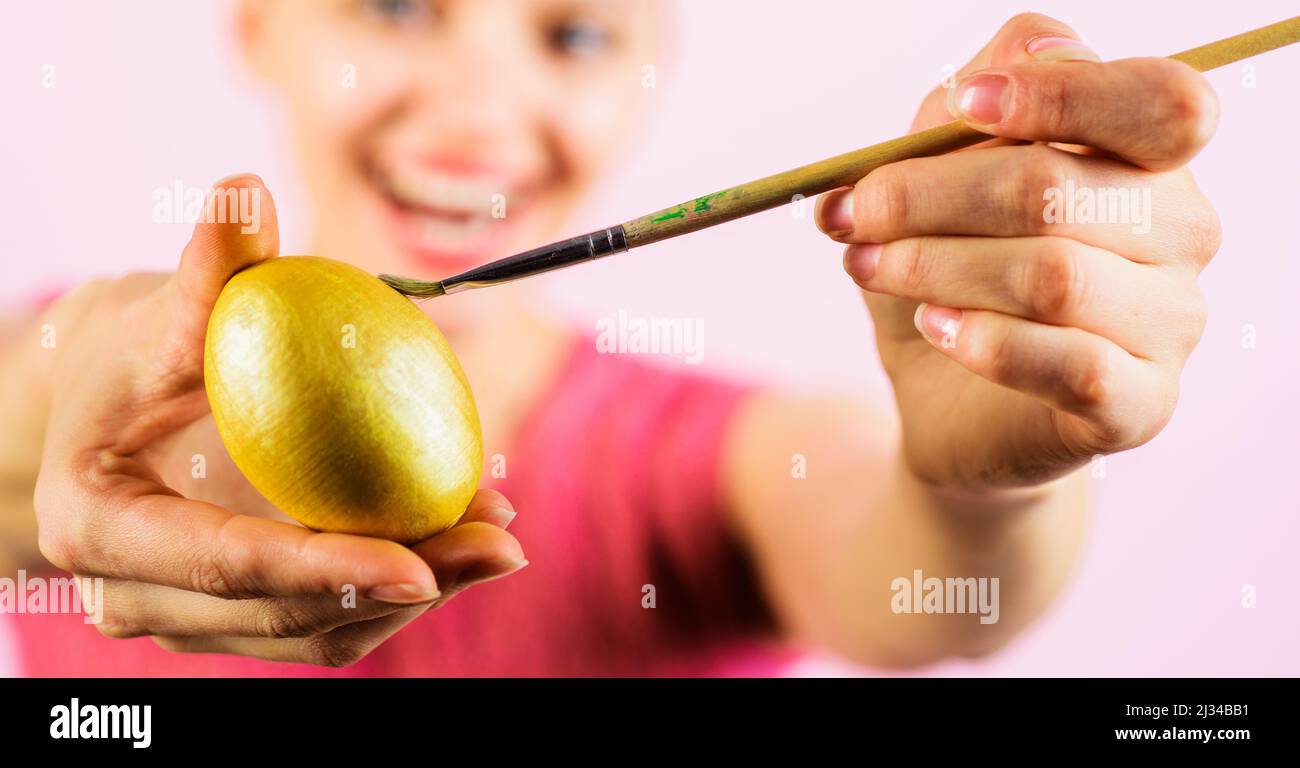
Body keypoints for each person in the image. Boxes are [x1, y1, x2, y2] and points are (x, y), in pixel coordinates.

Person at [0, 2, 1220, 675]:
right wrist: (55, 413)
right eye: (395, 5)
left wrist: (989, 489)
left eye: (573, 34)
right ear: (260, 26)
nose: (479, 112)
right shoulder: (70, 357)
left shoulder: (708, 461)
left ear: (650, 66)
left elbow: (927, 592)